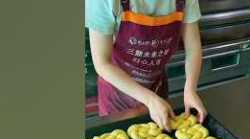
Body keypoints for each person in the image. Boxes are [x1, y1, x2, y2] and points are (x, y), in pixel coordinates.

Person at [86, 0, 207, 130]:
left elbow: (193, 47)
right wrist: (149, 100)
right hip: (117, 93)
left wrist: (190, 89)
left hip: (156, 85)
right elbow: (102, 63)